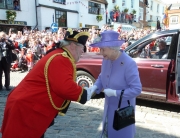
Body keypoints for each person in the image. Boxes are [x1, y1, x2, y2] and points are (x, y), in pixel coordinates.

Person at [1, 29, 93, 138]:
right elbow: (65, 88)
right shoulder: (61, 58)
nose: (83, 51)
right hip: (26, 107)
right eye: (82, 48)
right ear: (73, 45)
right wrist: (87, 94)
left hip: (27, 104)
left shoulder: (60, 55)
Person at [89, 30, 142, 138]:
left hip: (123, 112)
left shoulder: (129, 63)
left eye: (103, 49)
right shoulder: (107, 59)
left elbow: (137, 89)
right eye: (100, 49)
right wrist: (95, 87)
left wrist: (115, 93)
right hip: (109, 108)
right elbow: (102, 76)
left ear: (113, 48)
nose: (101, 52)